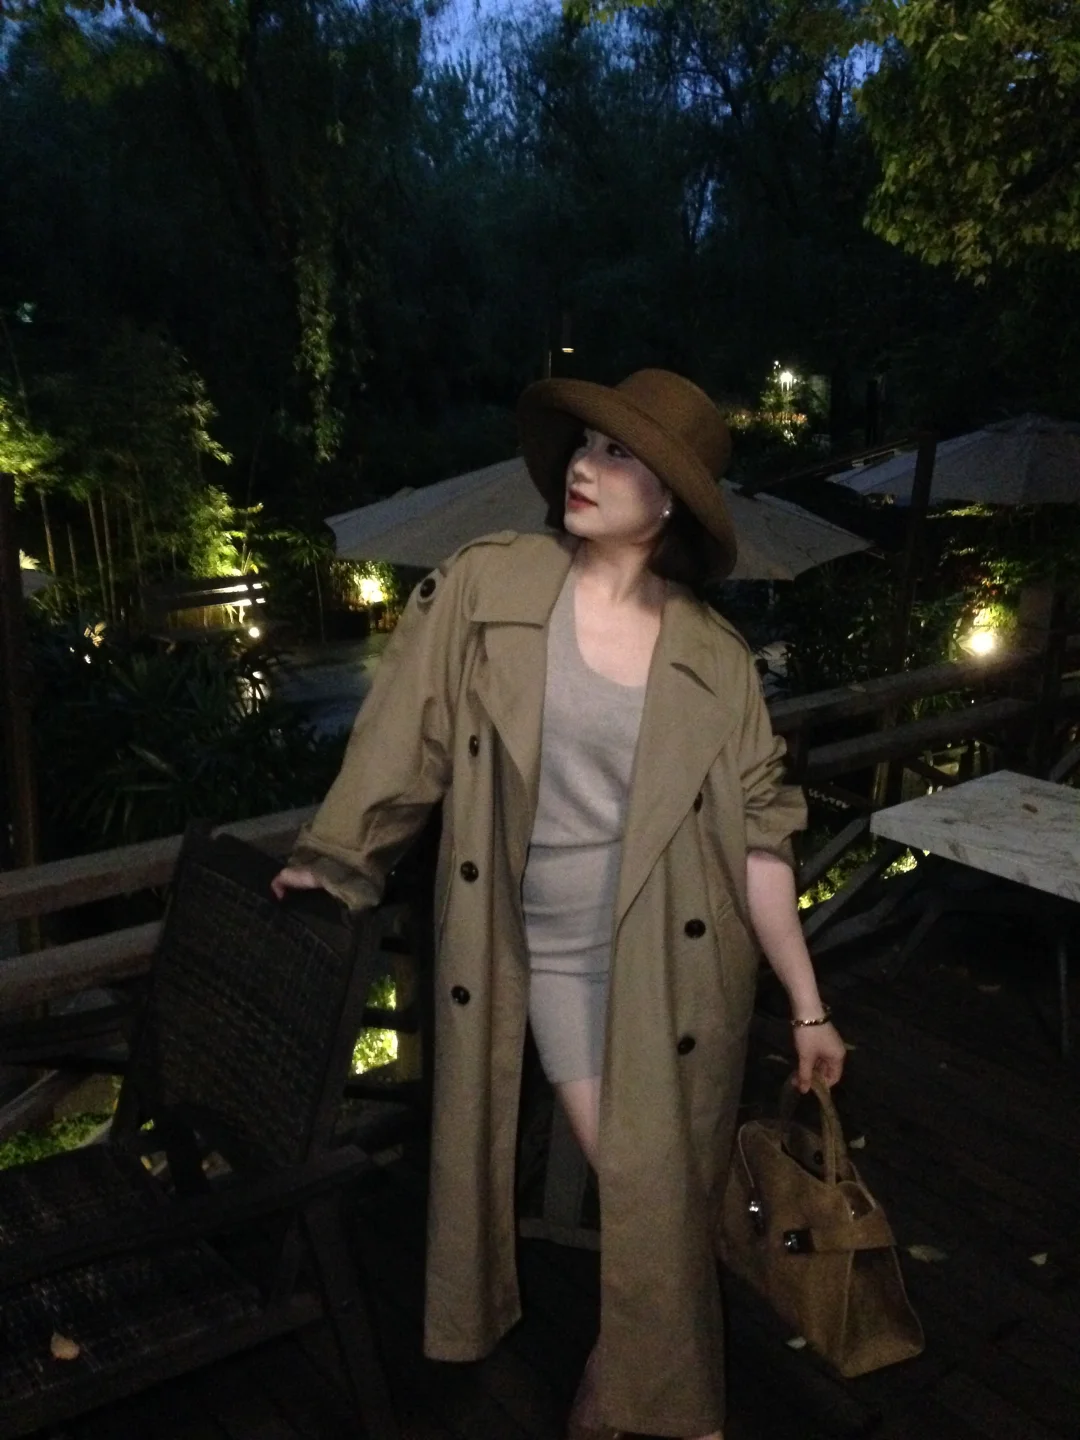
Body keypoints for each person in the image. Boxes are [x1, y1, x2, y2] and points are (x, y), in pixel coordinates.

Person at [272, 369, 846, 1440]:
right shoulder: (490, 584)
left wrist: (809, 1007)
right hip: (547, 952)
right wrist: (338, 857)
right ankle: (664, 1405)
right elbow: (407, 731)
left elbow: (762, 840)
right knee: (642, 1184)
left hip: (675, 963)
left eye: (621, 454)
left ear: (670, 500)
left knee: (665, 1194)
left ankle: (619, 1387)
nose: (585, 465)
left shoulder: (715, 662)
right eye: (585, 445)